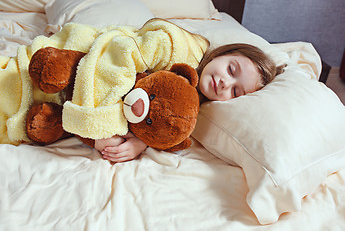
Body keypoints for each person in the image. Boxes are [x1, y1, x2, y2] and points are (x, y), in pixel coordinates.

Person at [99, 43, 285, 163]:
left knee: (111, 141)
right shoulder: (179, 55)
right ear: (220, 55)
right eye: (230, 69)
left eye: (235, 91)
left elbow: (165, 126)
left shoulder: (194, 109)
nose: (225, 83)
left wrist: (143, 141)